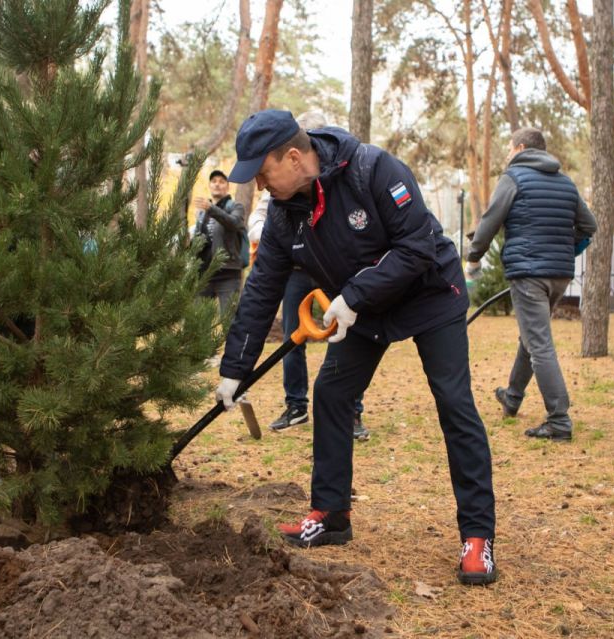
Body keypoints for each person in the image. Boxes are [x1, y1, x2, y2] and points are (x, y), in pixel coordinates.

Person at [216, 109, 497, 585]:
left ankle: (477, 535)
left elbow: (416, 247)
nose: (260, 185)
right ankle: (331, 514)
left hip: (431, 295)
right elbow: (262, 289)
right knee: (331, 393)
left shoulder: (373, 169)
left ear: (293, 158)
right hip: (363, 308)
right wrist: (234, 369)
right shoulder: (284, 214)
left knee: (453, 401)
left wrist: (353, 296)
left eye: (262, 172)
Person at [466, 127, 597, 442]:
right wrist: (566, 249)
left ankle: (559, 420)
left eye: (509, 148)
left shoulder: (513, 178)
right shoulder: (565, 182)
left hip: (528, 273)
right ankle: (512, 396)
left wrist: (473, 258)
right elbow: (589, 225)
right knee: (532, 336)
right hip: (559, 275)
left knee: (539, 343)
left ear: (521, 147)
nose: (507, 154)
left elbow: (490, 221)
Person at [247, 111, 368, 440]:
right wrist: (273, 239)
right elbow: (258, 221)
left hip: (334, 273)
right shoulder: (277, 185)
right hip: (296, 271)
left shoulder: (343, 175)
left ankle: (351, 411)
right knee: (292, 338)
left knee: (346, 336)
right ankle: (296, 405)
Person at [191, 169, 247, 317]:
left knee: (229, 321)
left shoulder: (235, 207)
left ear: (227, 187)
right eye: (214, 181)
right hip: (204, 274)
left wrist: (211, 209)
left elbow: (234, 223)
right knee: (196, 321)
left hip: (228, 273)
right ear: (209, 185)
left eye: (222, 182)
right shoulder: (202, 212)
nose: (217, 184)